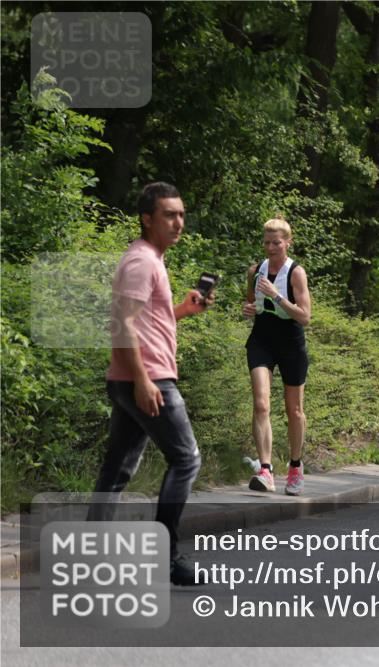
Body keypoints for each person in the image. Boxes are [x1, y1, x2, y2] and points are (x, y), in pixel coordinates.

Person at [92, 182, 214, 586]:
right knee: (186, 459)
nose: (178, 223)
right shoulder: (142, 261)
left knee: (117, 469)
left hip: (132, 378)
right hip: (149, 378)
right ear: (147, 219)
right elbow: (120, 324)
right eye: (169, 215)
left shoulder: (150, 259)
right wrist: (144, 381)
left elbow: (146, 322)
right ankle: (166, 559)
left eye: (181, 215)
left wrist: (182, 310)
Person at [242, 217, 312, 495]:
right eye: (267, 242)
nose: (270, 248)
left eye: (276, 243)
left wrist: (277, 296)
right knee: (261, 404)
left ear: (288, 243)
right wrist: (248, 310)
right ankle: (266, 470)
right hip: (261, 340)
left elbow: (305, 317)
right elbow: (251, 304)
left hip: (291, 342)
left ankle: (295, 466)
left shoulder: (296, 273)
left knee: (294, 411)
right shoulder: (255, 271)